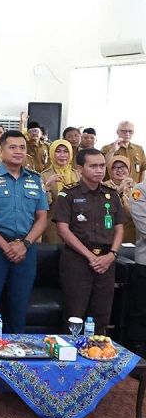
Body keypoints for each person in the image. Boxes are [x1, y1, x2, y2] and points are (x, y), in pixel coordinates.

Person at [0, 130, 49, 333]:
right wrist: (6, 246)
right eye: (12, 147)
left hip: (26, 249)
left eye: (22, 147)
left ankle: (15, 357)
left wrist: (24, 245)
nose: (18, 152)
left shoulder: (35, 179)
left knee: (19, 306)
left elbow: (42, 218)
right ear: (2, 149)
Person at [53, 148, 125, 335]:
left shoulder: (111, 194)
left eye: (102, 166)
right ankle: (70, 358)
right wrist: (90, 257)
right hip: (78, 260)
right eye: (93, 166)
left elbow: (119, 228)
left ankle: (97, 356)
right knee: (74, 314)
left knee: (101, 315)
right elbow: (62, 229)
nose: (99, 170)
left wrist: (112, 255)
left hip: (106, 261)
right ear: (80, 168)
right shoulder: (68, 194)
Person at [40, 140, 80, 243]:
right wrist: (47, 187)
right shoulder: (43, 176)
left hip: (77, 227)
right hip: (52, 228)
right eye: (58, 151)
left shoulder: (78, 175)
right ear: (52, 153)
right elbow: (42, 206)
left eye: (66, 151)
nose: (62, 155)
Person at [126, 179, 146, 358]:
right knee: (141, 313)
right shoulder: (139, 191)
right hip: (145, 263)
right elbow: (144, 228)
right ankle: (139, 362)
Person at [104, 156, 137, 243]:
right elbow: (103, 208)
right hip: (111, 233)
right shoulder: (104, 187)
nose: (119, 170)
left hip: (134, 233)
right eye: (114, 168)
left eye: (123, 167)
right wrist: (119, 190)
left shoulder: (136, 187)